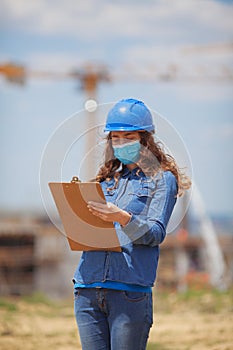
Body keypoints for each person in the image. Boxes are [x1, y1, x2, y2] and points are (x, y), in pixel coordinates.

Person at [73, 98, 191, 350]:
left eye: (128, 137)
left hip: (128, 292)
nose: (120, 143)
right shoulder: (104, 182)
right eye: (115, 137)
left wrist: (122, 218)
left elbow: (156, 233)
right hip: (87, 289)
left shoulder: (161, 180)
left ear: (145, 140)